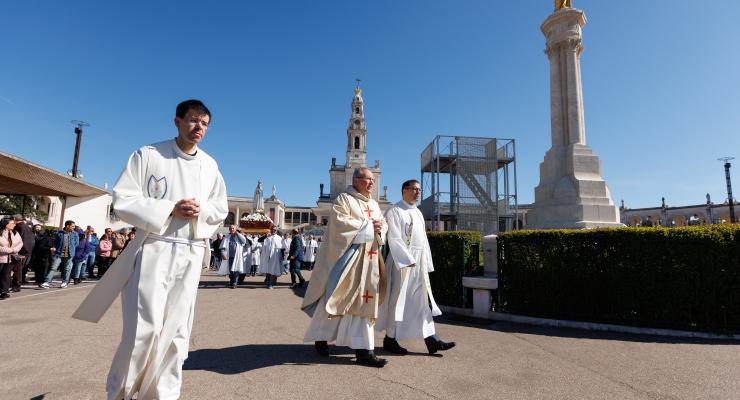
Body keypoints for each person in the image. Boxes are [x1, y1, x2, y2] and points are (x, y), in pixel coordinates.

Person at [72, 99, 228, 400]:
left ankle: (163, 394)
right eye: (193, 120)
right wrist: (170, 208)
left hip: (191, 251)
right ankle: (122, 392)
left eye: (205, 123)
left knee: (177, 333)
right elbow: (123, 198)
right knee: (144, 329)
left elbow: (219, 207)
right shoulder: (148, 155)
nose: (199, 128)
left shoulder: (210, 165)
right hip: (154, 249)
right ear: (177, 122)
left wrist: (201, 210)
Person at [302, 167, 389, 368]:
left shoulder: (375, 204)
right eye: (368, 179)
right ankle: (321, 337)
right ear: (356, 180)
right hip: (348, 260)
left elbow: (382, 224)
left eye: (373, 180)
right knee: (336, 297)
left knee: (364, 301)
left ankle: (364, 350)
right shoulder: (344, 200)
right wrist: (369, 227)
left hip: (370, 259)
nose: (372, 183)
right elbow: (340, 224)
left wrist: (380, 228)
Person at [376, 179, 456, 355]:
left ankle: (432, 340)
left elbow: (423, 240)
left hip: (417, 263)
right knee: (397, 302)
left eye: (419, 190)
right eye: (414, 189)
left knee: (422, 302)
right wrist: (407, 259)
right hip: (401, 264)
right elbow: (394, 238)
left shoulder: (418, 212)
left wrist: (425, 261)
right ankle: (390, 339)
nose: (418, 193)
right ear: (405, 190)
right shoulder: (395, 210)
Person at [40, 220, 79, 289]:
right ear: (67, 226)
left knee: (67, 269)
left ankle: (64, 282)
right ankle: (47, 282)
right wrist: (55, 249)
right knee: (53, 268)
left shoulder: (75, 234)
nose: (74, 227)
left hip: (69, 254)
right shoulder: (59, 233)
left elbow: (76, 244)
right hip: (58, 254)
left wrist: (72, 249)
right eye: (72, 226)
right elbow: (55, 243)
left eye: (74, 226)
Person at [0, 218, 24, 299]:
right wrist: (7, 250)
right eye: (12, 223)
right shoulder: (1, 233)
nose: (14, 224)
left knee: (6, 275)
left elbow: (20, 243)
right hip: (1, 257)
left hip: (11, 258)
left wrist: (14, 250)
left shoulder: (15, 233)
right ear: (5, 224)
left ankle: (4, 291)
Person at [13, 214, 35, 285]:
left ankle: (16, 284)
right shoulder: (26, 227)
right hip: (27, 250)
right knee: (22, 268)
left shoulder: (19, 226)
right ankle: (19, 282)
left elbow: (18, 239)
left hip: (21, 250)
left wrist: (19, 250)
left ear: (14, 219)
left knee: (18, 268)